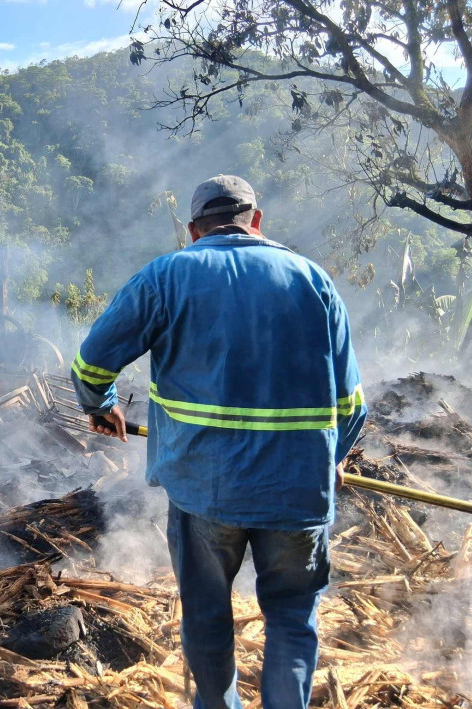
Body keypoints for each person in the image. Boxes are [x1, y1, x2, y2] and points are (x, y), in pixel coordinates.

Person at [71, 175, 366, 709]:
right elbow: (351, 406)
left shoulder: (167, 275)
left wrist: (102, 406)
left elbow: (92, 363)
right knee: (294, 620)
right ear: (256, 220)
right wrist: (333, 457)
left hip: (205, 492)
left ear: (192, 229)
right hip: (297, 495)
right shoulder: (313, 280)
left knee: (208, 617)